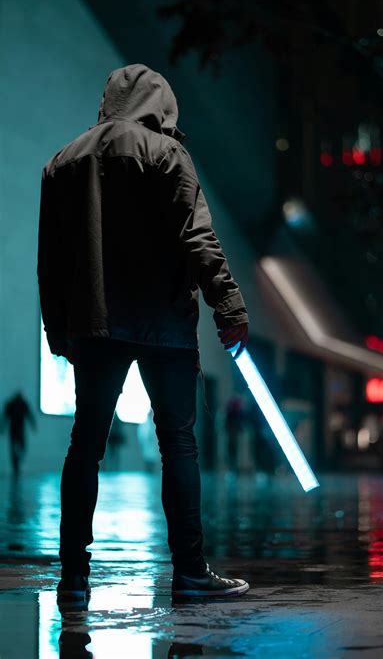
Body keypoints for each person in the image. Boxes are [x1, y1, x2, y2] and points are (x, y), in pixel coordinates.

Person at [37, 64, 250, 600]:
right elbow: (197, 237)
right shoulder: (167, 153)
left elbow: (51, 262)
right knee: (179, 444)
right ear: (163, 104)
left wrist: (58, 329)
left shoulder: (62, 162)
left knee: (84, 445)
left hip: (96, 323)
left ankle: (74, 577)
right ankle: (190, 572)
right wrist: (229, 308)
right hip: (165, 324)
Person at [3, 391, 36, 476]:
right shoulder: (22, 403)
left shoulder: (11, 403)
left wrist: (2, 428)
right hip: (19, 428)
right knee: (21, 446)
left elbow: (5, 417)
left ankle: (16, 466)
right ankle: (16, 465)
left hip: (14, 428)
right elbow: (30, 416)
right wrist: (33, 426)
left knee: (15, 447)